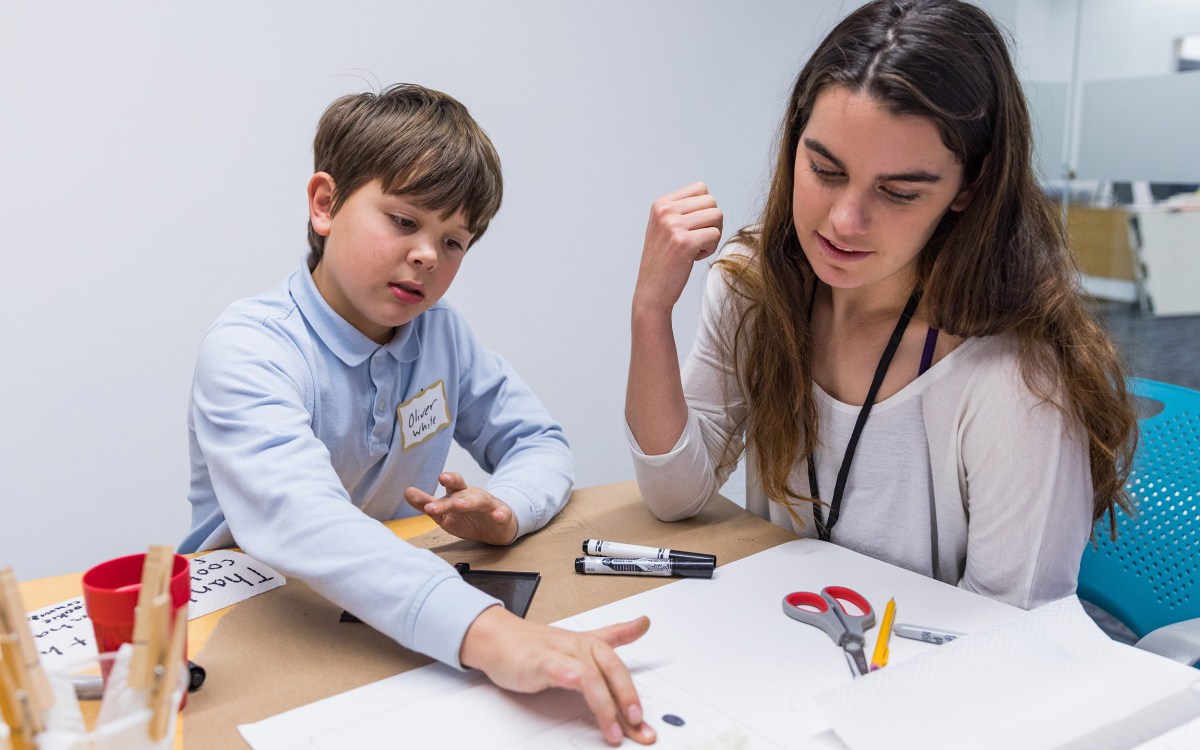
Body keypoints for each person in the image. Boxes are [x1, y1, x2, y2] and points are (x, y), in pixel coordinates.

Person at [180, 84, 654, 746]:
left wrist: (508, 508)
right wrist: (490, 633)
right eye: (404, 221)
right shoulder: (250, 348)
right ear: (325, 204)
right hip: (259, 617)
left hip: (388, 614)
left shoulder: (443, 336)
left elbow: (539, 441)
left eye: (455, 241)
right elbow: (303, 518)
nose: (429, 255)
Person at [626, 0, 1137, 611]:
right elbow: (673, 494)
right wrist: (650, 311)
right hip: (782, 654)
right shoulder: (754, 290)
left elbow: (1011, 638)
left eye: (897, 192)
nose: (845, 222)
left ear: (969, 187)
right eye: (824, 169)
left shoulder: (1014, 375)